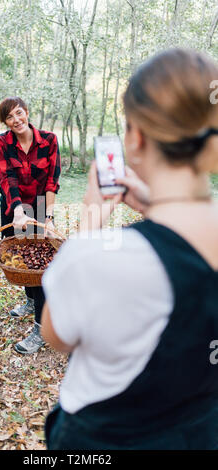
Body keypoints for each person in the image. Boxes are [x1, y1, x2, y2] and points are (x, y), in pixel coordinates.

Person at [41, 48, 218, 449]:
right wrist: (159, 206)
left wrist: (90, 222)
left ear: (136, 136)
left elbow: (55, 336)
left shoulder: (99, 258)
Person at [0, 97, 61, 354]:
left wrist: (48, 216)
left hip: (42, 204)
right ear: (6, 122)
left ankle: (42, 329)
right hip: (14, 204)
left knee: (42, 264)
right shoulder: (1, 143)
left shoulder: (49, 140)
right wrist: (18, 211)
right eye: (9, 117)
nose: (16, 120)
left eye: (19, 113)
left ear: (27, 113)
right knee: (21, 255)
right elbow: (7, 177)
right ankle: (31, 301)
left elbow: (52, 180)